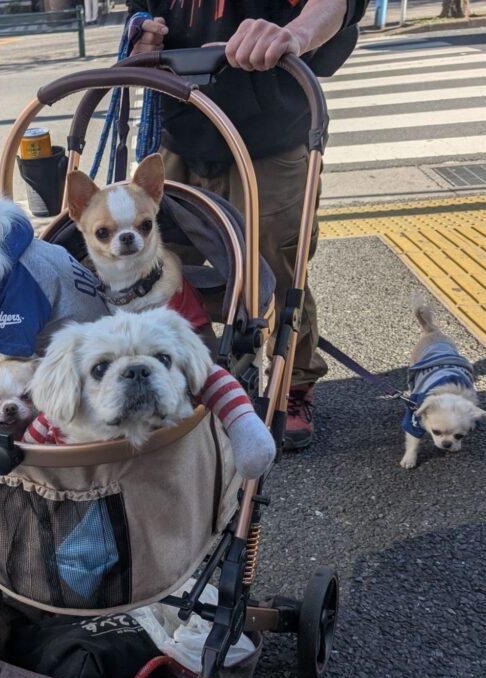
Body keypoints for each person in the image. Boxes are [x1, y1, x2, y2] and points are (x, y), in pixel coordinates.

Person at [126, 0, 368, 449]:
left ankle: (293, 380)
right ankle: (174, 372)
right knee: (154, 269)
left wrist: (295, 33)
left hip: (270, 132)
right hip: (180, 125)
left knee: (275, 270)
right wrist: (141, 32)